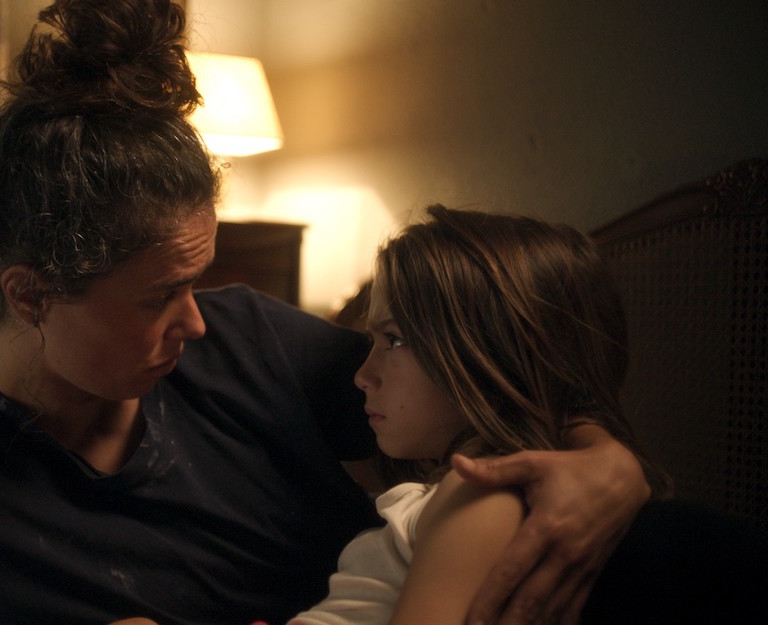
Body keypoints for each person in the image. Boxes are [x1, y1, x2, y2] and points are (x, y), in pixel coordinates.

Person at [0, 2, 649, 625]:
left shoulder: (252, 342)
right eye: (158, 296)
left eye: (196, 282)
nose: (197, 322)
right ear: (30, 294)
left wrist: (604, 460)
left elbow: (488, 388)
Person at [285, 205, 670, 625]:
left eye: (394, 340)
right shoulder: (439, 486)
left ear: (495, 355)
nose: (362, 376)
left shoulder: (479, 492)